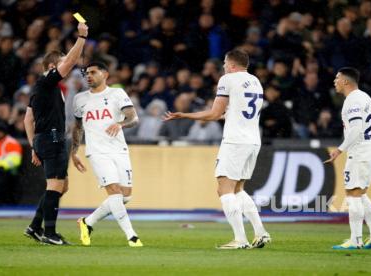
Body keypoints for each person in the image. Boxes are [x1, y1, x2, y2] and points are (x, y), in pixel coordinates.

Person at [164, 49, 270, 249]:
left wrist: (184, 115)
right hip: (253, 140)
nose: (223, 66)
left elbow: (214, 114)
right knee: (238, 188)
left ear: (231, 65)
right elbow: (232, 111)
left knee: (224, 189)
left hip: (235, 141)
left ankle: (240, 239)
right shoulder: (256, 81)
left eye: (224, 63)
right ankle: (261, 233)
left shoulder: (227, 79)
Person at [23, 22, 89, 245]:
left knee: (63, 186)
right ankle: (49, 234)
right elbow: (71, 61)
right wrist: (81, 38)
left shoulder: (41, 89)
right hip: (51, 137)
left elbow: (27, 119)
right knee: (55, 185)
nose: (66, 68)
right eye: (60, 64)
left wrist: (34, 146)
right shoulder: (46, 82)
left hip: (47, 139)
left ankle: (35, 227)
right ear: (52, 66)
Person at [71, 62, 143, 247]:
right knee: (114, 192)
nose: (88, 76)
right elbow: (77, 127)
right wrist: (74, 151)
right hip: (97, 152)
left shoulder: (117, 94)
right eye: (86, 73)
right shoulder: (79, 99)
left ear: (105, 74)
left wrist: (120, 124)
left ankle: (87, 222)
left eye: (93, 72)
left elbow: (133, 118)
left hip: (119, 149)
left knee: (125, 196)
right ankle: (132, 236)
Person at [325, 67, 371, 250]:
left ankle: (356, 239)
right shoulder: (365, 97)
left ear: (345, 81)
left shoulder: (352, 101)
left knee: (352, 195)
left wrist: (339, 150)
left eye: (337, 78)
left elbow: (357, 129)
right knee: (361, 195)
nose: (334, 81)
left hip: (360, 153)